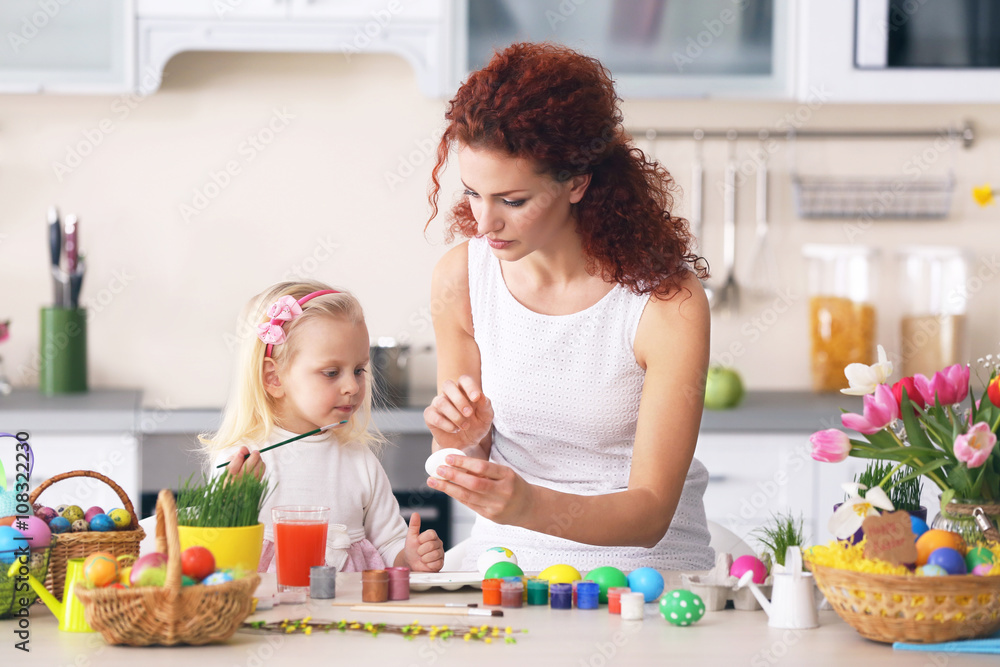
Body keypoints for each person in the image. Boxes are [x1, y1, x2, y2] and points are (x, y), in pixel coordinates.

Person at [422, 42, 715, 572]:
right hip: (505, 566)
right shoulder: (461, 278)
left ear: (578, 182)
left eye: (512, 201)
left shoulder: (667, 303)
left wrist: (530, 504)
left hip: (642, 574)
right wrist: (459, 439)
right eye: (471, 194)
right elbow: (466, 460)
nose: (484, 223)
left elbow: (650, 515)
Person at [201, 281, 444, 573]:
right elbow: (215, 557)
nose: (352, 386)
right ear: (274, 378)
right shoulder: (242, 460)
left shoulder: (359, 460)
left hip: (349, 617)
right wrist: (231, 506)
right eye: (331, 373)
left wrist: (410, 557)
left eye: (359, 370)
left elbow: (390, 544)